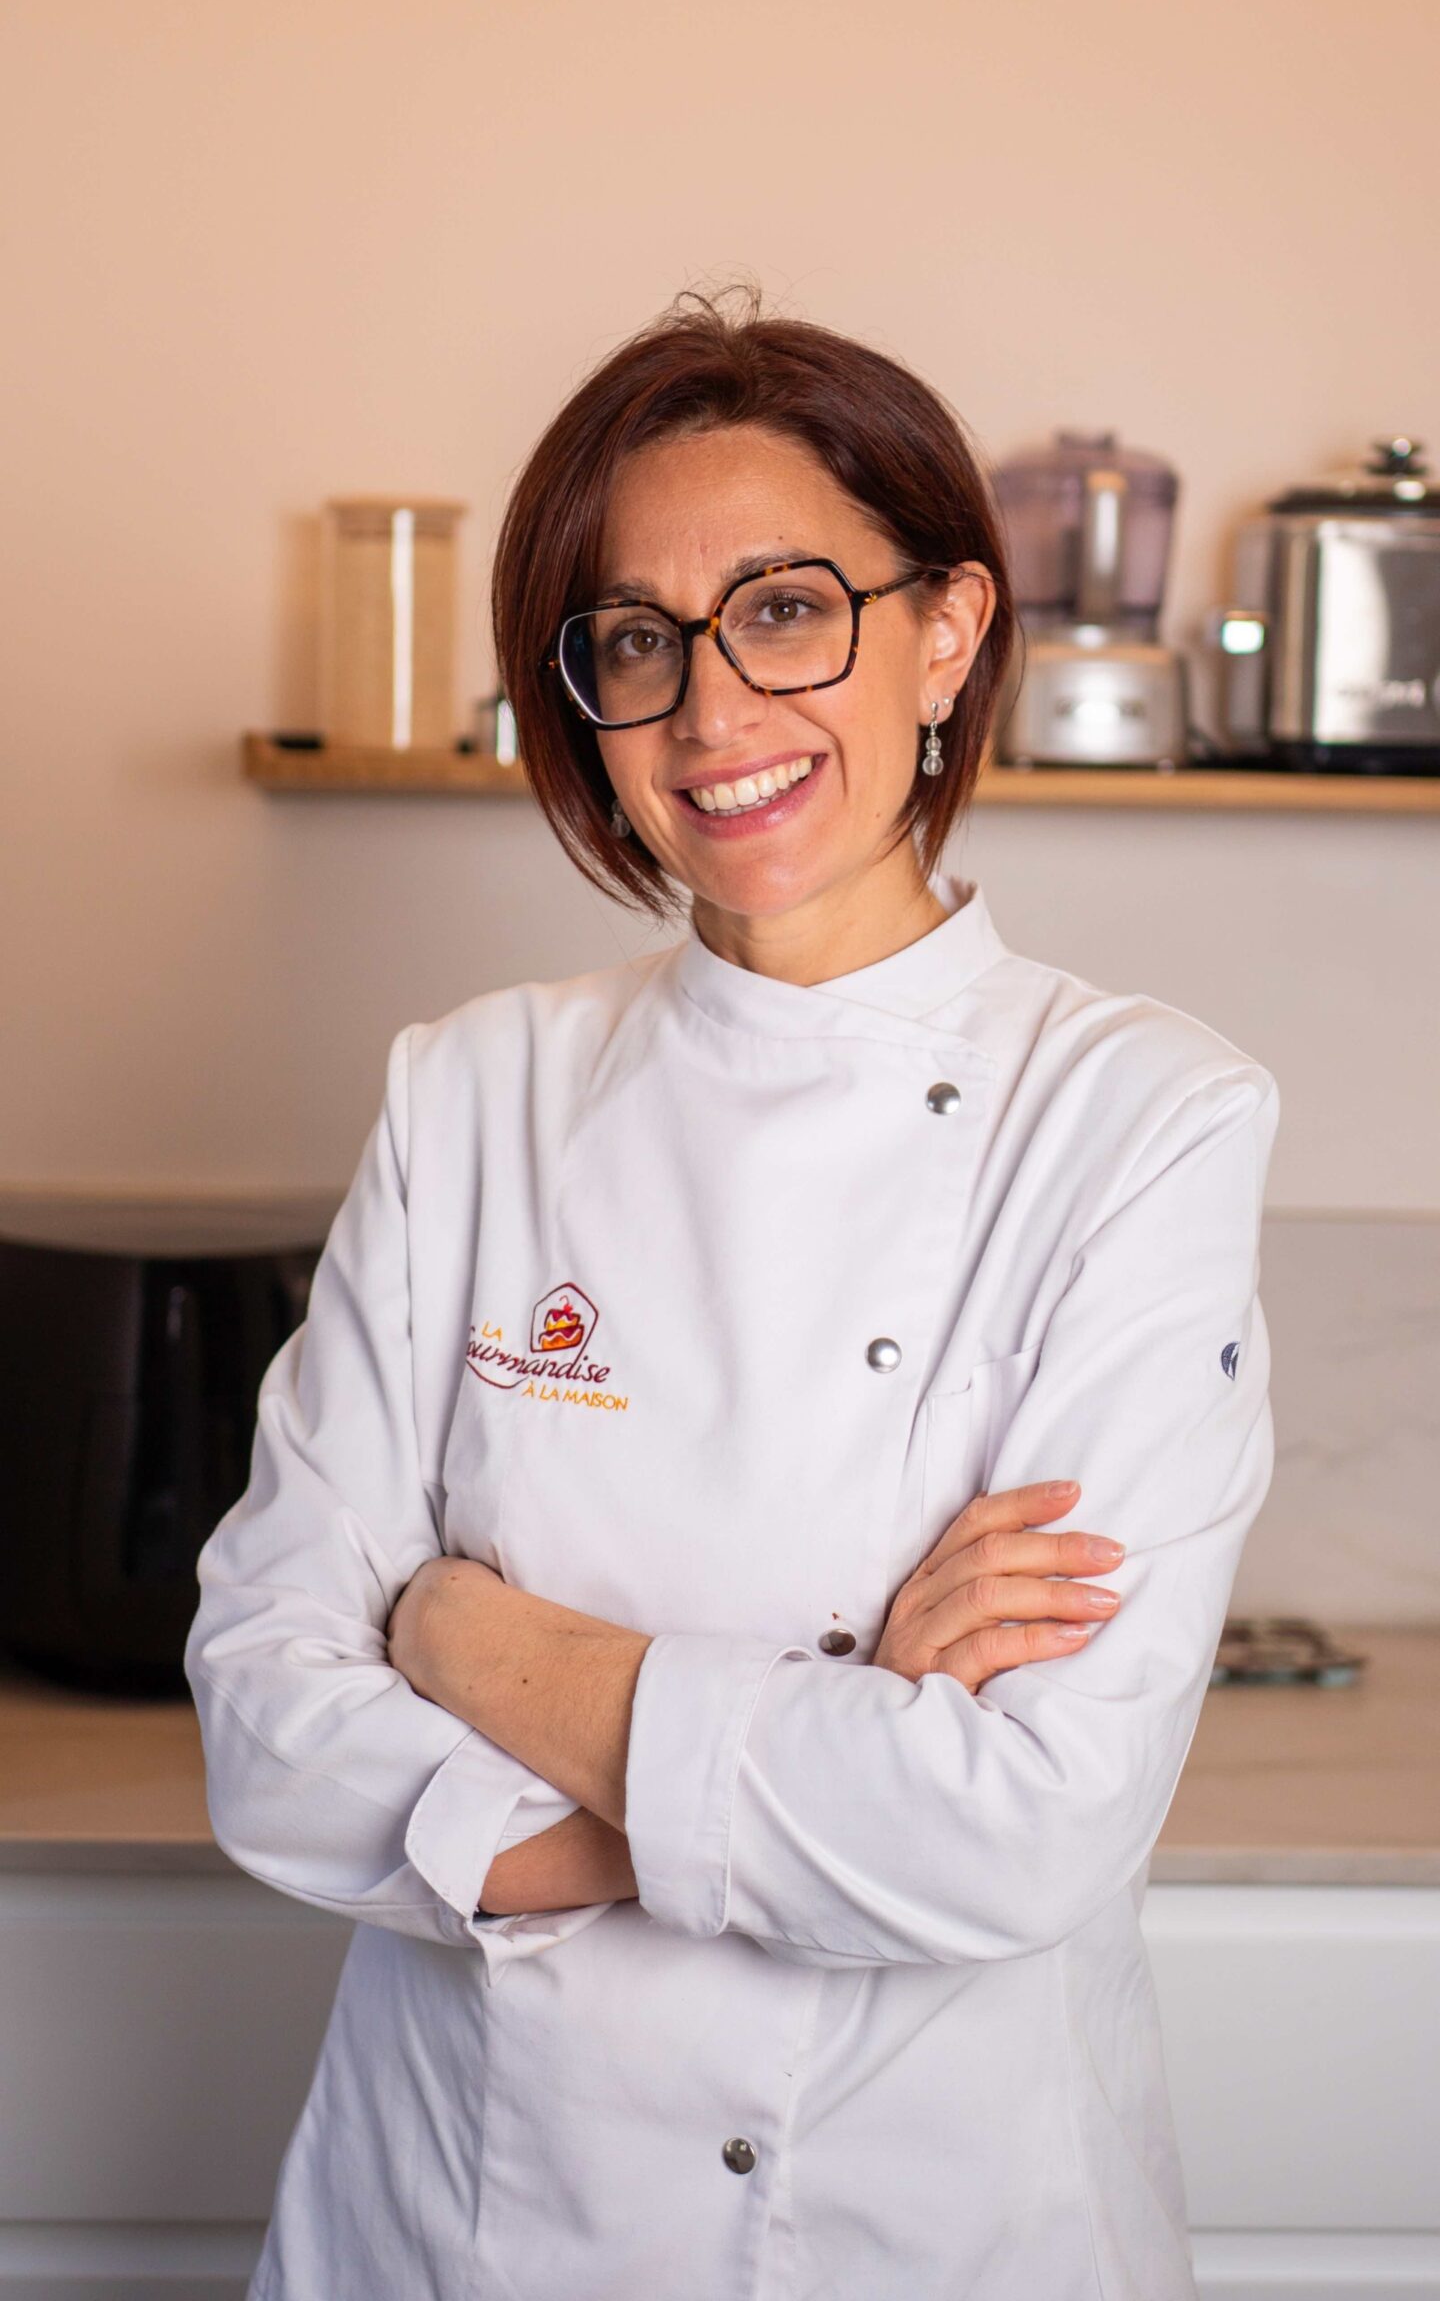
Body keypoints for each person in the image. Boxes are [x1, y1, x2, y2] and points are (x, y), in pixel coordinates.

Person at [186, 290, 1278, 2301]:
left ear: (946, 629)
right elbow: (263, 1722)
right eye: (633, 641)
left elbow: (1018, 1832)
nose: (712, 712)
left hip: (934, 2226)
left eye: (788, 609)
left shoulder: (1140, 1118)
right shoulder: (474, 1088)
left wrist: (458, 1634)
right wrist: (835, 1733)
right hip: (460, 2222)